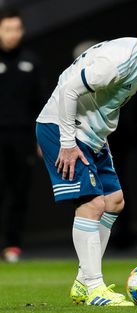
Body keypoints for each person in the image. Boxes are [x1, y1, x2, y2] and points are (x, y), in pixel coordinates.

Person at [36, 10, 137, 306]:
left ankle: (84, 283)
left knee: (114, 201)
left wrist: (100, 133)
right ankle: (95, 288)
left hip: (93, 133)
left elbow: (106, 99)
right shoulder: (117, 62)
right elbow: (68, 88)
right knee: (93, 203)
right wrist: (68, 143)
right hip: (62, 127)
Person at [0, 8, 43, 262]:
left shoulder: (32, 61)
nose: (12, 34)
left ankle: (13, 245)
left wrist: (40, 138)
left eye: (17, 29)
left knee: (19, 192)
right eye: (7, 29)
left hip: (23, 138)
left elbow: (40, 103)